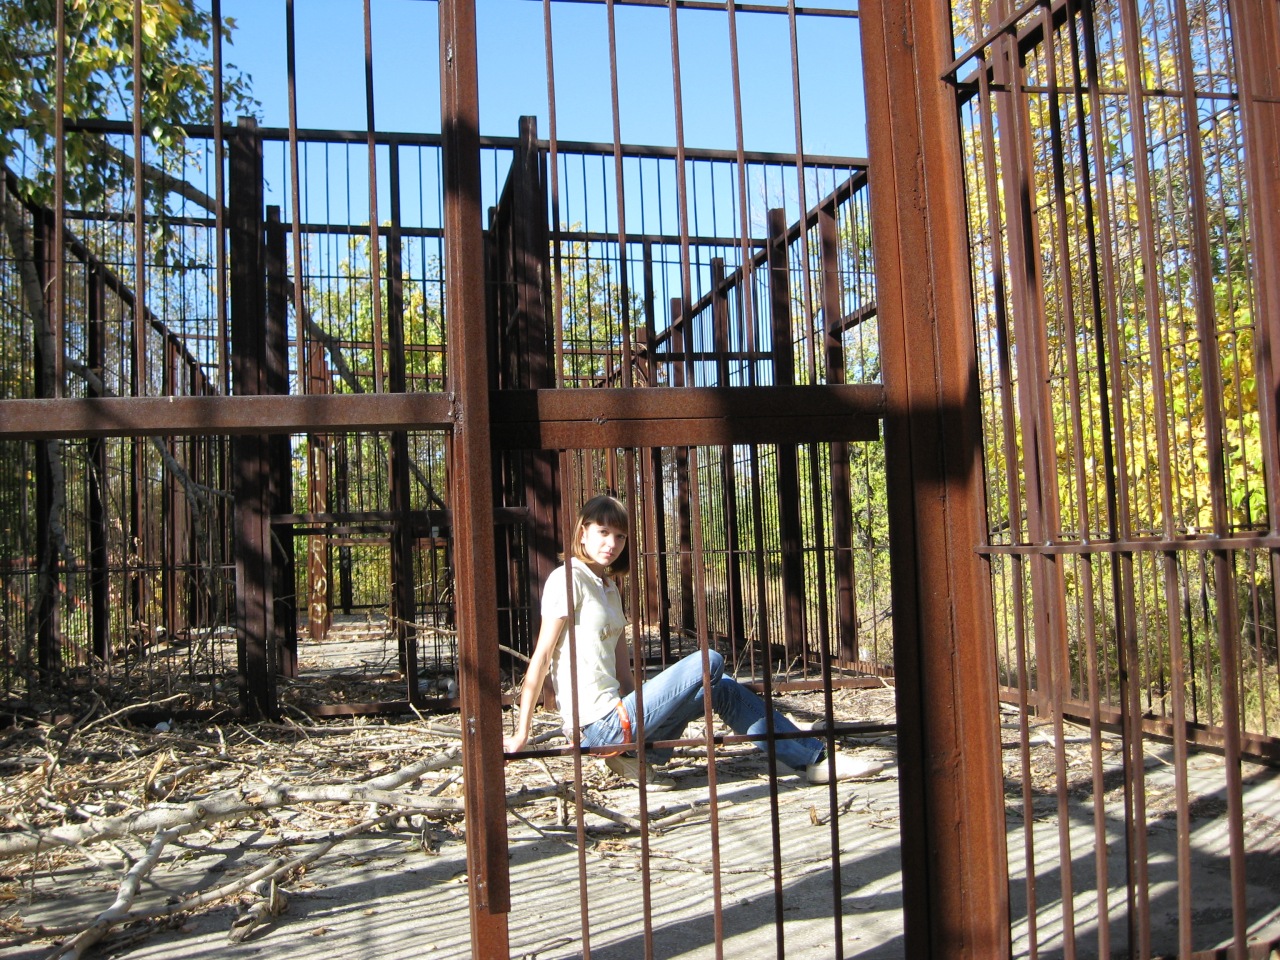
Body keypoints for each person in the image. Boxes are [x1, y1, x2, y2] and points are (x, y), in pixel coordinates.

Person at [501, 494, 883, 786]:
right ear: (583, 531)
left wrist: (653, 720)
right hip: (599, 725)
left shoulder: (610, 588)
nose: (611, 543)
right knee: (709, 661)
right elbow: (542, 657)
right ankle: (626, 751)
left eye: (620, 536)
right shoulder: (567, 579)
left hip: (624, 718)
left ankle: (813, 760)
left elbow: (623, 672)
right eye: (603, 532)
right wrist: (521, 732)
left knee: (724, 688)